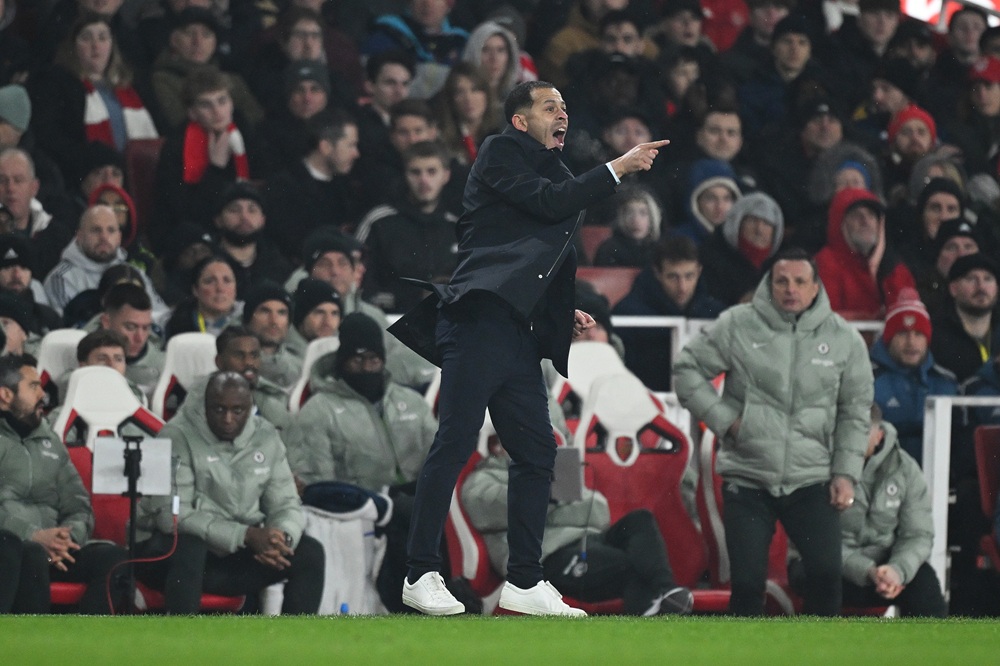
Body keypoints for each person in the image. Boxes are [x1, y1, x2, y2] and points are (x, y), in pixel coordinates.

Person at [390, 80, 669, 616]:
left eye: (565, 106)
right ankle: (419, 572)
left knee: (539, 451)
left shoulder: (560, 175)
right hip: (479, 321)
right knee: (455, 441)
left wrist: (556, 314)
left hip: (516, 330)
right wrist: (617, 168)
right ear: (520, 121)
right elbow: (546, 206)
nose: (562, 113)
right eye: (549, 107)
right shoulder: (499, 152)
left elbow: (541, 258)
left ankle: (524, 581)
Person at [674, 247, 874, 615]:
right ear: (769, 283)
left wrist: (846, 474)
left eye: (800, 281)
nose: (790, 288)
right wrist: (727, 422)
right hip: (748, 475)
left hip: (812, 477)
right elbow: (686, 370)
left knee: (828, 576)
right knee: (748, 586)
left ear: (816, 288)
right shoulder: (737, 324)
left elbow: (855, 412)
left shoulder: (845, 339)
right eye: (781, 280)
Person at [135, 372, 324, 615]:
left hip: (234, 556)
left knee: (309, 552)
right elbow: (172, 517)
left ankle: (293, 646)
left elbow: (286, 503)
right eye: (219, 409)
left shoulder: (266, 436)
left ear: (250, 409)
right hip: (169, 557)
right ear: (205, 406)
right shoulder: (173, 435)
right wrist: (244, 535)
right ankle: (180, 640)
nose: (227, 419)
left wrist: (281, 539)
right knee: (190, 546)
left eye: (237, 411)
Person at [286, 312, 437, 611]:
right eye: (356, 360)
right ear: (342, 361)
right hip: (357, 505)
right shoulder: (319, 410)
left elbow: (438, 457)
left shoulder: (411, 403)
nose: (366, 367)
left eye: (372, 359)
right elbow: (317, 482)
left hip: (417, 496)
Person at [461, 438, 694, 616]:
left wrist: (548, 505)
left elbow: (599, 510)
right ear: (496, 446)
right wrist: (550, 498)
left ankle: (666, 590)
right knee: (629, 564)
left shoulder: (551, 471)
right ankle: (652, 616)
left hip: (589, 541)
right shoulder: (482, 480)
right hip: (547, 557)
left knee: (639, 520)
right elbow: (506, 507)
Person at [0, 353, 127, 613]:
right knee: (26, 551)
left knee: (115, 560)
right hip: (13, 548)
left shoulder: (52, 442)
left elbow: (79, 504)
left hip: (56, 552)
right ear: (5, 396)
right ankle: (27, 643)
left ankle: (84, 645)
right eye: (33, 386)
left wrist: (65, 540)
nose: (43, 395)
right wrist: (33, 536)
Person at [801, 405, 947, 616]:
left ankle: (930, 649)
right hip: (826, 564)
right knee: (821, 576)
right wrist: (867, 571)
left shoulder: (906, 468)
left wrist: (898, 570)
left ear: (879, 436)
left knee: (924, 581)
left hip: (885, 568)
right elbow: (814, 541)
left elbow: (918, 534)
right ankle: (817, 647)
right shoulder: (816, 467)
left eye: (861, 436)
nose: (853, 445)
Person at [356, 140, 459, 313]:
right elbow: (355, 281)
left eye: (431, 172)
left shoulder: (457, 228)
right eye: (415, 172)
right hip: (389, 322)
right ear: (405, 174)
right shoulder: (379, 222)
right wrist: (413, 298)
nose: (424, 180)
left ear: (446, 175)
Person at [613, 237, 724, 391]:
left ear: (699, 271)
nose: (682, 287)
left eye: (689, 276)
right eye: (673, 277)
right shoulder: (629, 313)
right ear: (657, 273)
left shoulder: (716, 314)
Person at [870, 291, 958, 465]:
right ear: (888, 339)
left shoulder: (946, 382)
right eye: (902, 333)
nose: (911, 342)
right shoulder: (868, 379)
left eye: (918, 334)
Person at [43, 204, 163, 315]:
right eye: (96, 230)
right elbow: (68, 328)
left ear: (119, 238)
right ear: (79, 236)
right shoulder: (61, 278)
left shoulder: (134, 273)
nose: (104, 237)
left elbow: (160, 315)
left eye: (111, 230)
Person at [814, 187, 915, 318]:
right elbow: (826, 318)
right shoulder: (826, 263)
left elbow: (911, 317)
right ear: (840, 223)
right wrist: (871, 319)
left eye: (871, 215)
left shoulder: (894, 267)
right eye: (856, 215)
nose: (865, 221)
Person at [211, 182, 291, 299]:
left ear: (262, 220)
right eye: (234, 210)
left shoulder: (279, 267)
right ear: (218, 220)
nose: (244, 217)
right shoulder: (205, 262)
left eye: (252, 210)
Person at [931, 253, 1000, 383]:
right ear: (953, 289)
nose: (981, 286)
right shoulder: (935, 335)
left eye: (988, 279)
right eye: (971, 279)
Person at [97, 282, 164, 401]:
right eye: (130, 327)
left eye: (146, 328)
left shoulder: (164, 366)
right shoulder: (78, 354)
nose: (140, 338)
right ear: (106, 322)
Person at [163, 254, 242, 340]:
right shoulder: (171, 322)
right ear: (195, 290)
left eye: (227, 280)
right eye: (210, 281)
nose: (220, 288)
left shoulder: (249, 317)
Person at [242, 281, 300, 389]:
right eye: (265, 311)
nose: (274, 321)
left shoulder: (300, 368)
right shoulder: (233, 364)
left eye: (281, 313)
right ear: (248, 318)